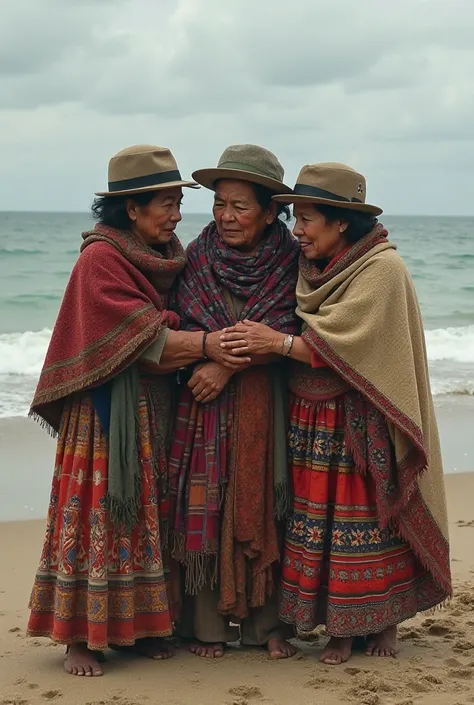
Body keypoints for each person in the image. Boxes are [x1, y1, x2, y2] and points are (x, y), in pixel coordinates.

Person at [220, 162, 452, 666]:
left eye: (307, 219)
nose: (297, 231)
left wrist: (279, 343)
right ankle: (336, 625)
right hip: (308, 411)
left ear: (341, 221)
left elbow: (359, 345)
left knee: (368, 518)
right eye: (295, 219)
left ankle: (379, 622)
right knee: (313, 519)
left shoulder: (382, 269)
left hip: (361, 419)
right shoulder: (313, 267)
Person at [26, 144, 225, 677]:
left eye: (178, 204)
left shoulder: (165, 257)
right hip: (102, 413)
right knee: (98, 515)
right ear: (131, 209)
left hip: (155, 406)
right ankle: (79, 640)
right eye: (166, 203)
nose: (178, 215)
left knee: (147, 516)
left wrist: (198, 342)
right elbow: (148, 339)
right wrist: (210, 347)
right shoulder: (100, 260)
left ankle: (139, 628)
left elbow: (166, 331)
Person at [168, 144, 300, 660]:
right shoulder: (196, 255)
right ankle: (206, 626)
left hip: (267, 401)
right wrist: (210, 356)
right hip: (202, 405)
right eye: (219, 203)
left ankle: (269, 625)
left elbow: (292, 325)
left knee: (267, 498)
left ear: (270, 212)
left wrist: (226, 362)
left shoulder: (292, 261)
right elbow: (178, 320)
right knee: (204, 499)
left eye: (240, 206)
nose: (225, 216)